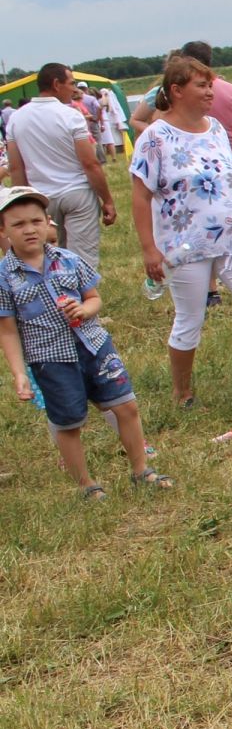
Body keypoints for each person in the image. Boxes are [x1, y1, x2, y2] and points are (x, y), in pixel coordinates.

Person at [130, 55, 232, 406]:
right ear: (176, 91)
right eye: (201, 86)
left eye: (210, 84)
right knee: (191, 318)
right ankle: (182, 393)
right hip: (186, 247)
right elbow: (141, 196)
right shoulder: (155, 138)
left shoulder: (217, 128)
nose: (210, 92)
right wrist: (148, 249)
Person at [0, 186, 169, 498]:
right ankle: (86, 484)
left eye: (36, 221)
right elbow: (7, 329)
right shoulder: (4, 277)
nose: (29, 230)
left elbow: (94, 298)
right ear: (3, 230)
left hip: (94, 346)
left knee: (125, 405)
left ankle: (141, 469)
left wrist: (85, 309)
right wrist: (19, 373)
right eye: (18, 224)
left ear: (49, 222)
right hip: (50, 358)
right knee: (68, 422)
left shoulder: (68, 260)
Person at [4, 63, 113, 271]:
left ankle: (58, 298)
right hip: (77, 193)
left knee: (47, 256)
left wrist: (22, 200)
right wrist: (106, 199)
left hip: (41, 196)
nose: (74, 89)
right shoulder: (70, 115)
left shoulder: (17, 118)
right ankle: (84, 298)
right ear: (56, 84)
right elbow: (90, 164)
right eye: (71, 83)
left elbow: (16, 168)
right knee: (82, 256)